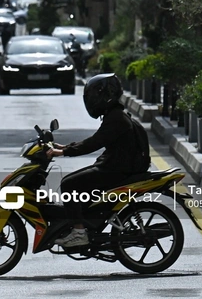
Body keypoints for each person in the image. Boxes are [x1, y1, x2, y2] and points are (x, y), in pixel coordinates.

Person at [46, 73, 144, 248]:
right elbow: (94, 139)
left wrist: (61, 152)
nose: (92, 100)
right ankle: (85, 224)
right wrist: (63, 147)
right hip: (116, 166)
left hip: (117, 169)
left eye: (95, 96)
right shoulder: (114, 115)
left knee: (69, 184)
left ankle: (78, 232)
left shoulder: (116, 118)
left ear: (106, 95)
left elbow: (93, 143)